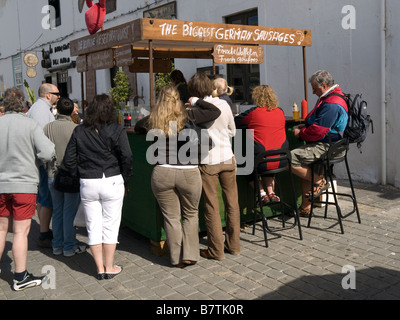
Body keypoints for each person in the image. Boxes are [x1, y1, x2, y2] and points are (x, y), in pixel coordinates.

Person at [147, 85, 221, 268]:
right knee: (190, 214)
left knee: (171, 218)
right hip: (188, 171)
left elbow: (140, 126)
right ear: (178, 98)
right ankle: (190, 254)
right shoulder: (189, 115)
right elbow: (214, 111)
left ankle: (174, 258)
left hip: (162, 171)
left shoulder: (154, 118)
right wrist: (196, 100)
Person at [63, 94, 132, 280]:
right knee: (111, 225)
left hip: (88, 181)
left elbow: (68, 160)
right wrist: (125, 179)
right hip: (111, 179)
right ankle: (109, 266)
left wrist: (80, 174)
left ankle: (99, 268)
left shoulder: (79, 130)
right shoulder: (117, 129)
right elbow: (127, 157)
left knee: (93, 226)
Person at [0, 87, 55, 291]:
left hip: (0, 184)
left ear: (4, 104)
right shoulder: (30, 125)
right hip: (23, 185)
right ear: (23, 103)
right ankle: (20, 276)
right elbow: (48, 151)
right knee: (20, 233)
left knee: (1, 229)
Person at [187, 72, 240, 261]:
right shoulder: (224, 104)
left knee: (211, 206)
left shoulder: (193, 110)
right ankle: (234, 246)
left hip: (208, 160)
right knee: (232, 203)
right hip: (228, 157)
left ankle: (216, 250)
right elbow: (233, 132)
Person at [291, 70, 349, 216]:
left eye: (315, 88)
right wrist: (306, 126)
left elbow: (319, 130)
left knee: (289, 158)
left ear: (323, 85)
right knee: (306, 165)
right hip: (332, 143)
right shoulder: (331, 97)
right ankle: (305, 208)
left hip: (328, 145)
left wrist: (300, 133)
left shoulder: (332, 103)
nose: (313, 92)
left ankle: (320, 181)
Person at [44, 98, 86, 257]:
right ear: (72, 111)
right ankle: (69, 246)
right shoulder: (76, 128)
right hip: (70, 174)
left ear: (57, 110)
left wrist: (47, 166)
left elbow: (42, 150)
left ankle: (57, 245)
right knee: (69, 211)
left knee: (57, 210)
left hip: (52, 172)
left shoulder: (47, 127)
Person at [235, 85, 288, 205]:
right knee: (267, 156)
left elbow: (236, 122)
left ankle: (262, 194)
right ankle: (272, 193)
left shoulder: (253, 113)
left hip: (262, 161)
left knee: (243, 162)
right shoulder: (280, 111)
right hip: (282, 160)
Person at [27, 83, 59, 248]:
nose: (58, 96)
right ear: (48, 95)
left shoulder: (39, 108)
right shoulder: (40, 110)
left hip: (39, 160)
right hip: (43, 161)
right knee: (46, 198)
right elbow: (41, 137)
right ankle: (44, 233)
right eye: (57, 93)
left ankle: (44, 230)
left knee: (43, 197)